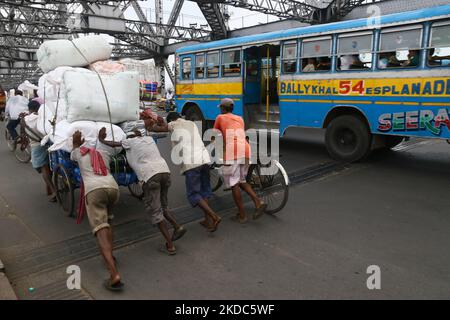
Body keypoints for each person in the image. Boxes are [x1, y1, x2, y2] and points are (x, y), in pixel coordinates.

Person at [98, 127, 186, 255]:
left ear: (130, 137)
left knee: (156, 211)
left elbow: (113, 144)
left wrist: (101, 139)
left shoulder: (129, 142)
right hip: (165, 172)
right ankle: (178, 227)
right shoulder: (149, 139)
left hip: (150, 176)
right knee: (164, 205)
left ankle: (170, 245)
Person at [70, 131, 123, 291]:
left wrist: (76, 143)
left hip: (94, 190)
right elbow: (116, 147)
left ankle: (113, 274)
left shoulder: (78, 152)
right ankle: (111, 256)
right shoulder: (104, 152)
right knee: (108, 222)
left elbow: (72, 154)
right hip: (113, 188)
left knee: (100, 229)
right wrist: (102, 139)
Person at [162, 112, 222, 232]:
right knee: (204, 191)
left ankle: (214, 217)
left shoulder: (173, 124)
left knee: (194, 194)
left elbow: (161, 127)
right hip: (204, 159)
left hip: (191, 163)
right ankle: (208, 220)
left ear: (171, 120)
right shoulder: (191, 123)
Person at [213, 98, 267, 224]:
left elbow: (214, 135)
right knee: (241, 180)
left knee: (234, 184)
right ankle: (258, 202)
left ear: (222, 108)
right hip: (246, 150)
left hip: (234, 151)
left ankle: (242, 215)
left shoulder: (220, 117)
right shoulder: (240, 118)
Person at [23, 100, 57, 202]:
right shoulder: (42, 118)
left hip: (37, 146)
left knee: (42, 168)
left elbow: (25, 133)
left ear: (29, 109)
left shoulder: (24, 120)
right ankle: (50, 189)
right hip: (48, 143)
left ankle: (53, 190)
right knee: (47, 167)